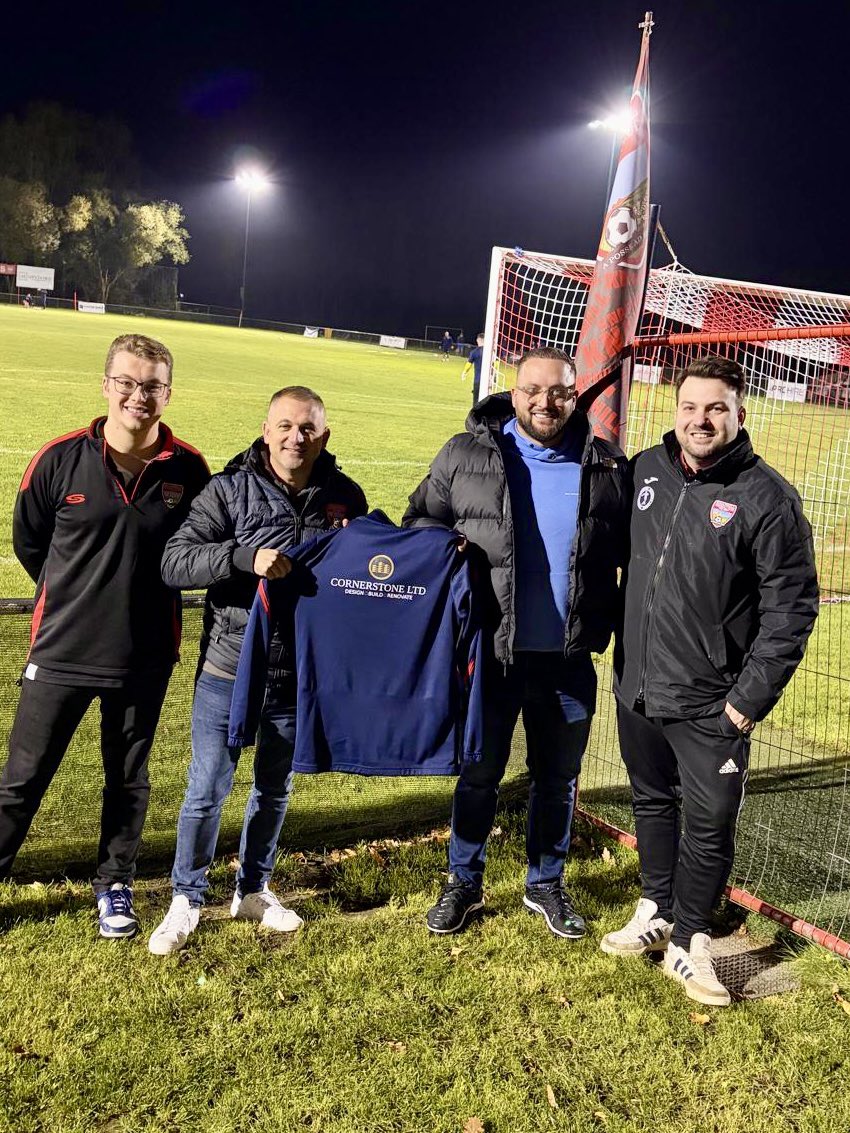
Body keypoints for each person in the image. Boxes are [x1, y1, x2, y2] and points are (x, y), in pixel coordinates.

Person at [602, 355, 819, 1006]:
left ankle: (690, 942)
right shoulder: (645, 470)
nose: (701, 419)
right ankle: (655, 910)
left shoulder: (768, 498)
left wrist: (745, 705)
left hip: (712, 703)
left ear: (740, 413)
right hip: (637, 685)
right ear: (675, 410)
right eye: (691, 406)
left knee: (710, 822)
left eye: (716, 408)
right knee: (652, 804)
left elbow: (791, 609)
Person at [404, 346, 630, 938]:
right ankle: (463, 881)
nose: (544, 401)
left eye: (557, 391)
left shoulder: (607, 467)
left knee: (558, 778)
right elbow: (419, 520)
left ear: (574, 394)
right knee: (479, 773)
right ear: (513, 390)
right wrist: (444, 549)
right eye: (532, 389)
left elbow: (632, 553)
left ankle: (545, 883)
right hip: (491, 653)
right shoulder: (466, 453)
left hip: (567, 657)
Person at [0, 333, 210, 938]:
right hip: (61, 650)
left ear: (167, 393)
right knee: (21, 780)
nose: (138, 396)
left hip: (145, 654)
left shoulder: (188, 469)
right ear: (106, 385)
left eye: (152, 385)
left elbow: (198, 548)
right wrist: (76, 595)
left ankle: (114, 885)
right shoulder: (58, 459)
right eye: (127, 382)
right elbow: (30, 542)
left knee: (127, 778)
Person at [148, 386, 368, 955]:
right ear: (267, 430)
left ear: (325, 435)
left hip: (300, 674)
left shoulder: (345, 498)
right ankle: (187, 897)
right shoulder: (227, 489)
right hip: (229, 668)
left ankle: (253, 889)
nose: (297, 438)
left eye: (309, 428)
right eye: (286, 426)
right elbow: (175, 562)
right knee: (206, 789)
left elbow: (366, 574)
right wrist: (245, 558)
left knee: (274, 790)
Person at [461, 332, 485, 405]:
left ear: (478, 340)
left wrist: (464, 372)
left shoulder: (474, 352)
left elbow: (469, 364)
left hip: (478, 380)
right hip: (487, 381)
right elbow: (496, 363)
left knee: (476, 402)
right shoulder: (490, 352)